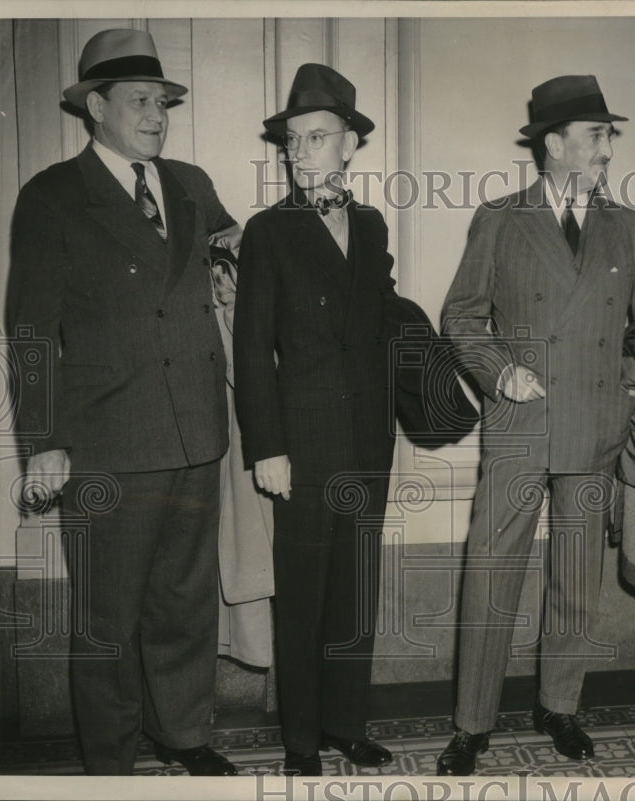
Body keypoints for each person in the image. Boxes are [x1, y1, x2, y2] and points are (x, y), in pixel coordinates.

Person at [6, 28, 241, 775]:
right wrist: (45, 440)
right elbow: (32, 331)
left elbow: (236, 251)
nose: (156, 114)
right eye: (139, 100)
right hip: (107, 439)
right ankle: (108, 764)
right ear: (96, 106)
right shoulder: (52, 195)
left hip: (196, 431)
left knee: (185, 602)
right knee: (107, 618)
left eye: (163, 102)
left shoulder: (192, 182)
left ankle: (184, 734)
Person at [436, 74, 635, 776]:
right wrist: (498, 371)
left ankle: (560, 705)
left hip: (596, 421)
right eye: (597, 134)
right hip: (521, 417)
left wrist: (634, 376)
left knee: (577, 573)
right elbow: (461, 316)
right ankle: (471, 722)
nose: (608, 148)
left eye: (609, 135)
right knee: (491, 571)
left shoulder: (627, 225)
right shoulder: (500, 218)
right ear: (554, 143)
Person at [233, 64, 396, 777]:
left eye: (317, 137)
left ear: (350, 144)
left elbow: (382, 322)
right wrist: (267, 447)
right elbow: (250, 349)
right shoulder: (269, 231)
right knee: (301, 596)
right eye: (292, 140)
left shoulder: (372, 224)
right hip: (299, 445)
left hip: (367, 441)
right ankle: (301, 740)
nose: (300, 153)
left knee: (354, 590)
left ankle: (345, 723)